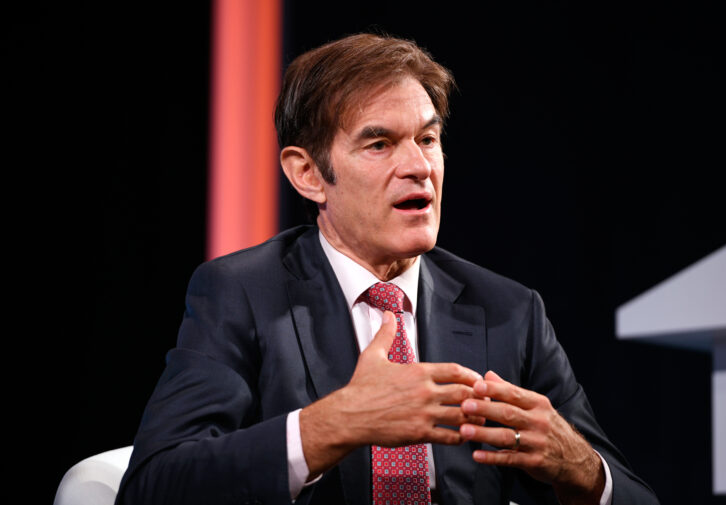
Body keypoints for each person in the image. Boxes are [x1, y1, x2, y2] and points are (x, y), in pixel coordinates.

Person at [116, 33, 658, 505]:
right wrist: (336, 423)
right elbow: (153, 486)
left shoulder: (507, 311)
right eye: (379, 144)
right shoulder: (242, 293)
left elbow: (633, 495)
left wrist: (584, 473)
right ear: (308, 174)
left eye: (427, 138)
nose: (419, 166)